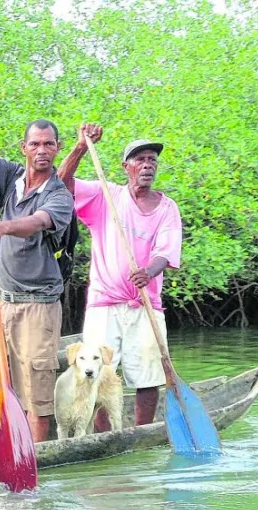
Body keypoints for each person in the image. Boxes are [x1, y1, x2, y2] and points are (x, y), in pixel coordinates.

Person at [0, 90, 75, 443]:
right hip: (0, 299)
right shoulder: (10, 177)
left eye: (49, 144)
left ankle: (35, 456)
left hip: (38, 304)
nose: (42, 150)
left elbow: (38, 222)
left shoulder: (60, 195)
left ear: (57, 148)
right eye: (35, 144)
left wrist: (1, 227)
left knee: (36, 392)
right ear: (24, 147)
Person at [57, 124, 182, 428]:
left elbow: (165, 252)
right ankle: (105, 436)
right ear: (126, 167)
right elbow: (62, 182)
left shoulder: (167, 208)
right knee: (96, 374)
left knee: (148, 376)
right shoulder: (105, 195)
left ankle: (140, 432)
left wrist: (148, 272)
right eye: (140, 160)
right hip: (104, 302)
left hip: (145, 303)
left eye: (152, 159)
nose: (147, 165)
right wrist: (81, 147)